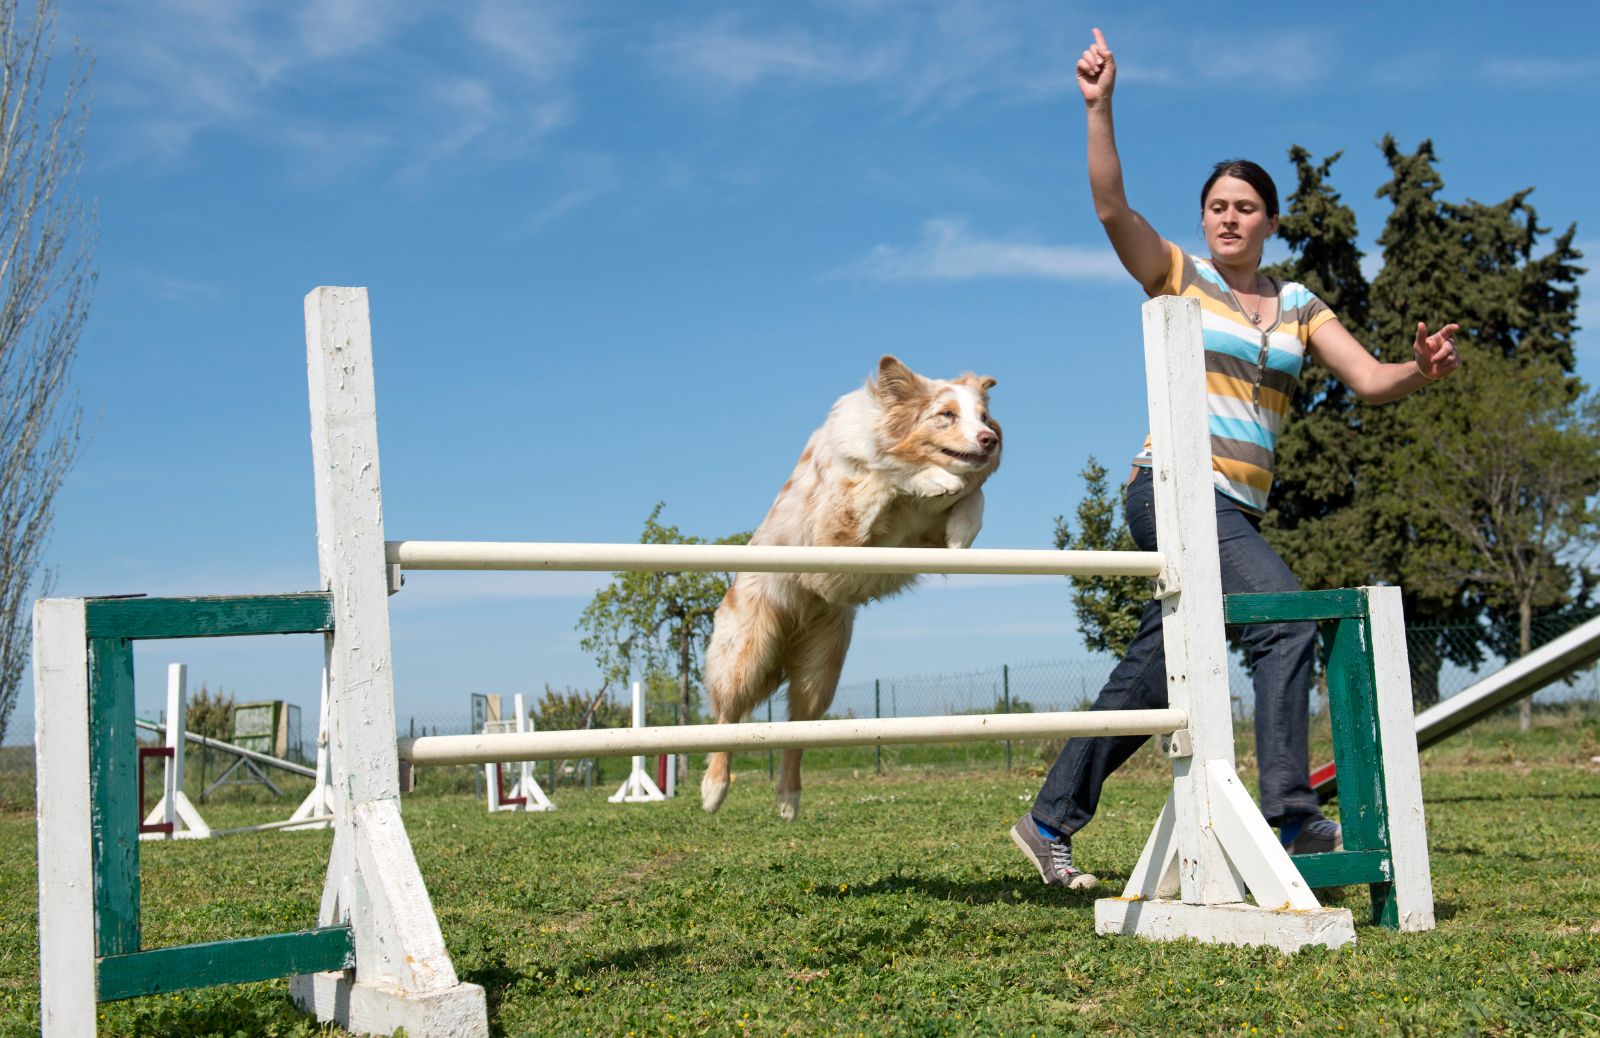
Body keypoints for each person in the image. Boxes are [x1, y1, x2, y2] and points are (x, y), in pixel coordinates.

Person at [1011, 28, 1461, 890]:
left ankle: (1048, 820)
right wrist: (1099, 107)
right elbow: (1111, 210)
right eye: (1216, 205)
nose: (1228, 216)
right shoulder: (1178, 275)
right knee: (1285, 620)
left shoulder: (1296, 303)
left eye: (1244, 207)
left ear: (1269, 222)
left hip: (1235, 509)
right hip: (1173, 487)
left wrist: (1423, 370)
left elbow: (1369, 378)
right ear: (1203, 220)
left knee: (1157, 671)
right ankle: (1291, 817)